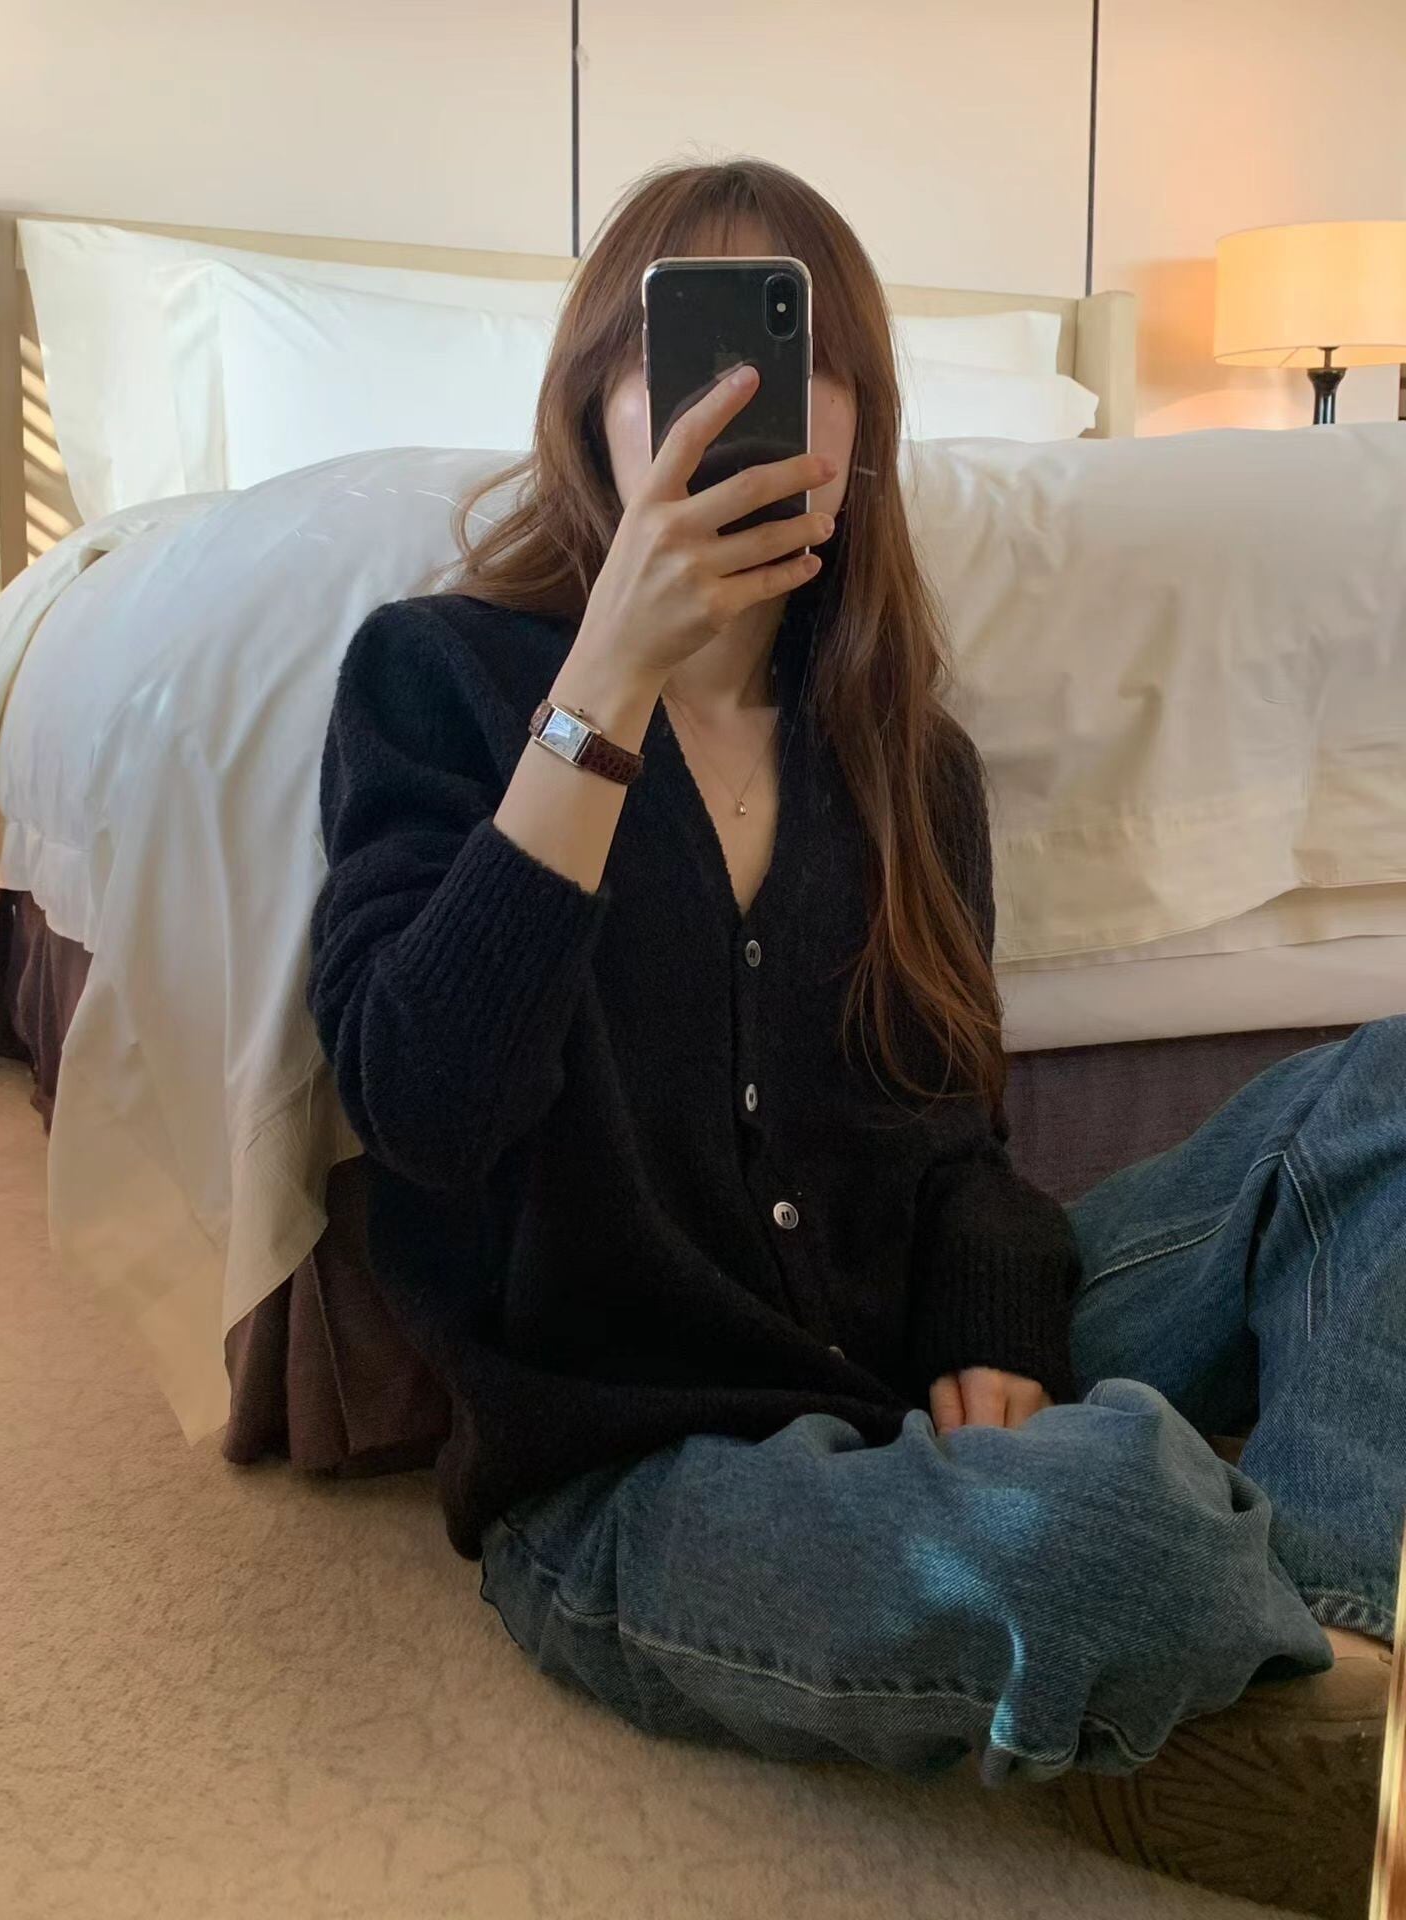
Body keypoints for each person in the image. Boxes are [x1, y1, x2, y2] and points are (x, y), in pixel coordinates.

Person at [307, 158, 1402, 1913]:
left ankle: (1331, 1661)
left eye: (798, 348)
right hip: (643, 1473)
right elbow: (423, 1106)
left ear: (861, 424)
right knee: (1106, 1525)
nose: (743, 392)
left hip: (900, 1359)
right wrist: (603, 689)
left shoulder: (903, 757)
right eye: (686, 343)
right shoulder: (438, 679)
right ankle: (1201, 1622)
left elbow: (957, 1136)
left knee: (1393, 1090)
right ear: (593, 399)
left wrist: (992, 1328)